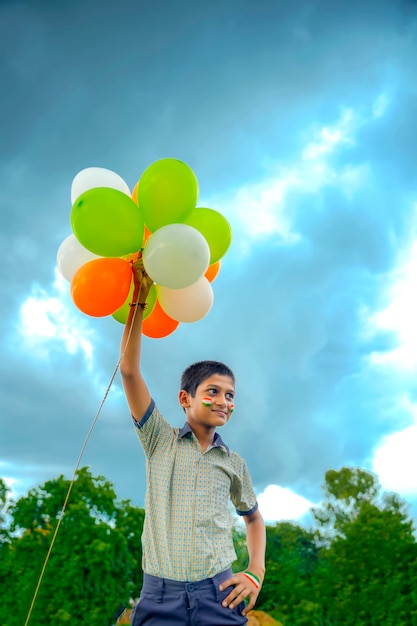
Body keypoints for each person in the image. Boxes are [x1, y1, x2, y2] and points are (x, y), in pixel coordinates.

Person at [120, 257, 266, 626]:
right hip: (159, 596)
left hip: (219, 594)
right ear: (185, 398)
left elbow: (253, 519)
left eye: (230, 395)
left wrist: (254, 572)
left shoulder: (234, 463)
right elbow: (129, 370)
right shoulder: (159, 440)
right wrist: (141, 296)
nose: (223, 401)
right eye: (213, 391)